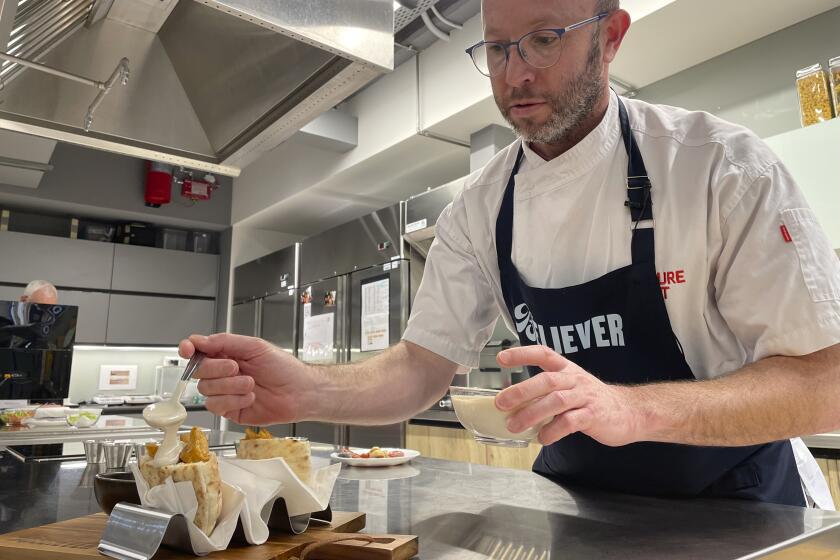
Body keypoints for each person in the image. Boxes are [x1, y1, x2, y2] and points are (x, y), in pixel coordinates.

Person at [180, 0, 840, 508]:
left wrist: (631, 410)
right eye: (497, 47)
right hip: (583, 513)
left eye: (545, 39)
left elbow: (826, 383)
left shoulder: (719, 168)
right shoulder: (481, 208)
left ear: (609, 38)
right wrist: (306, 387)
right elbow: (421, 367)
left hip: (737, 510)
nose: (515, 72)